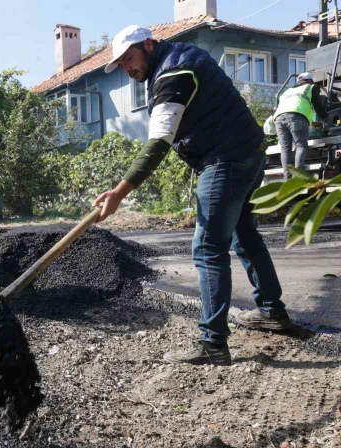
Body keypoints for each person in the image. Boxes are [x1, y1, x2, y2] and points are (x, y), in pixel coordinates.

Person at [94, 25, 292, 366]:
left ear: (149, 44)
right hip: (247, 154)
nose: (127, 68)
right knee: (244, 237)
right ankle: (273, 312)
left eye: (129, 58)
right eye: (122, 64)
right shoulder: (181, 60)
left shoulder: (174, 73)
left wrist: (120, 192)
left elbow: (158, 142)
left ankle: (213, 343)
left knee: (208, 248)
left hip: (225, 160)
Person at [274, 72, 326, 179]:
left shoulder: (288, 90)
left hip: (279, 119)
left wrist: (313, 124)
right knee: (301, 145)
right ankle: (297, 176)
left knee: (285, 149)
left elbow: (294, 108)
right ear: (310, 80)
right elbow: (317, 107)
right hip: (296, 117)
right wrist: (326, 119)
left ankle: (287, 178)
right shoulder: (311, 87)